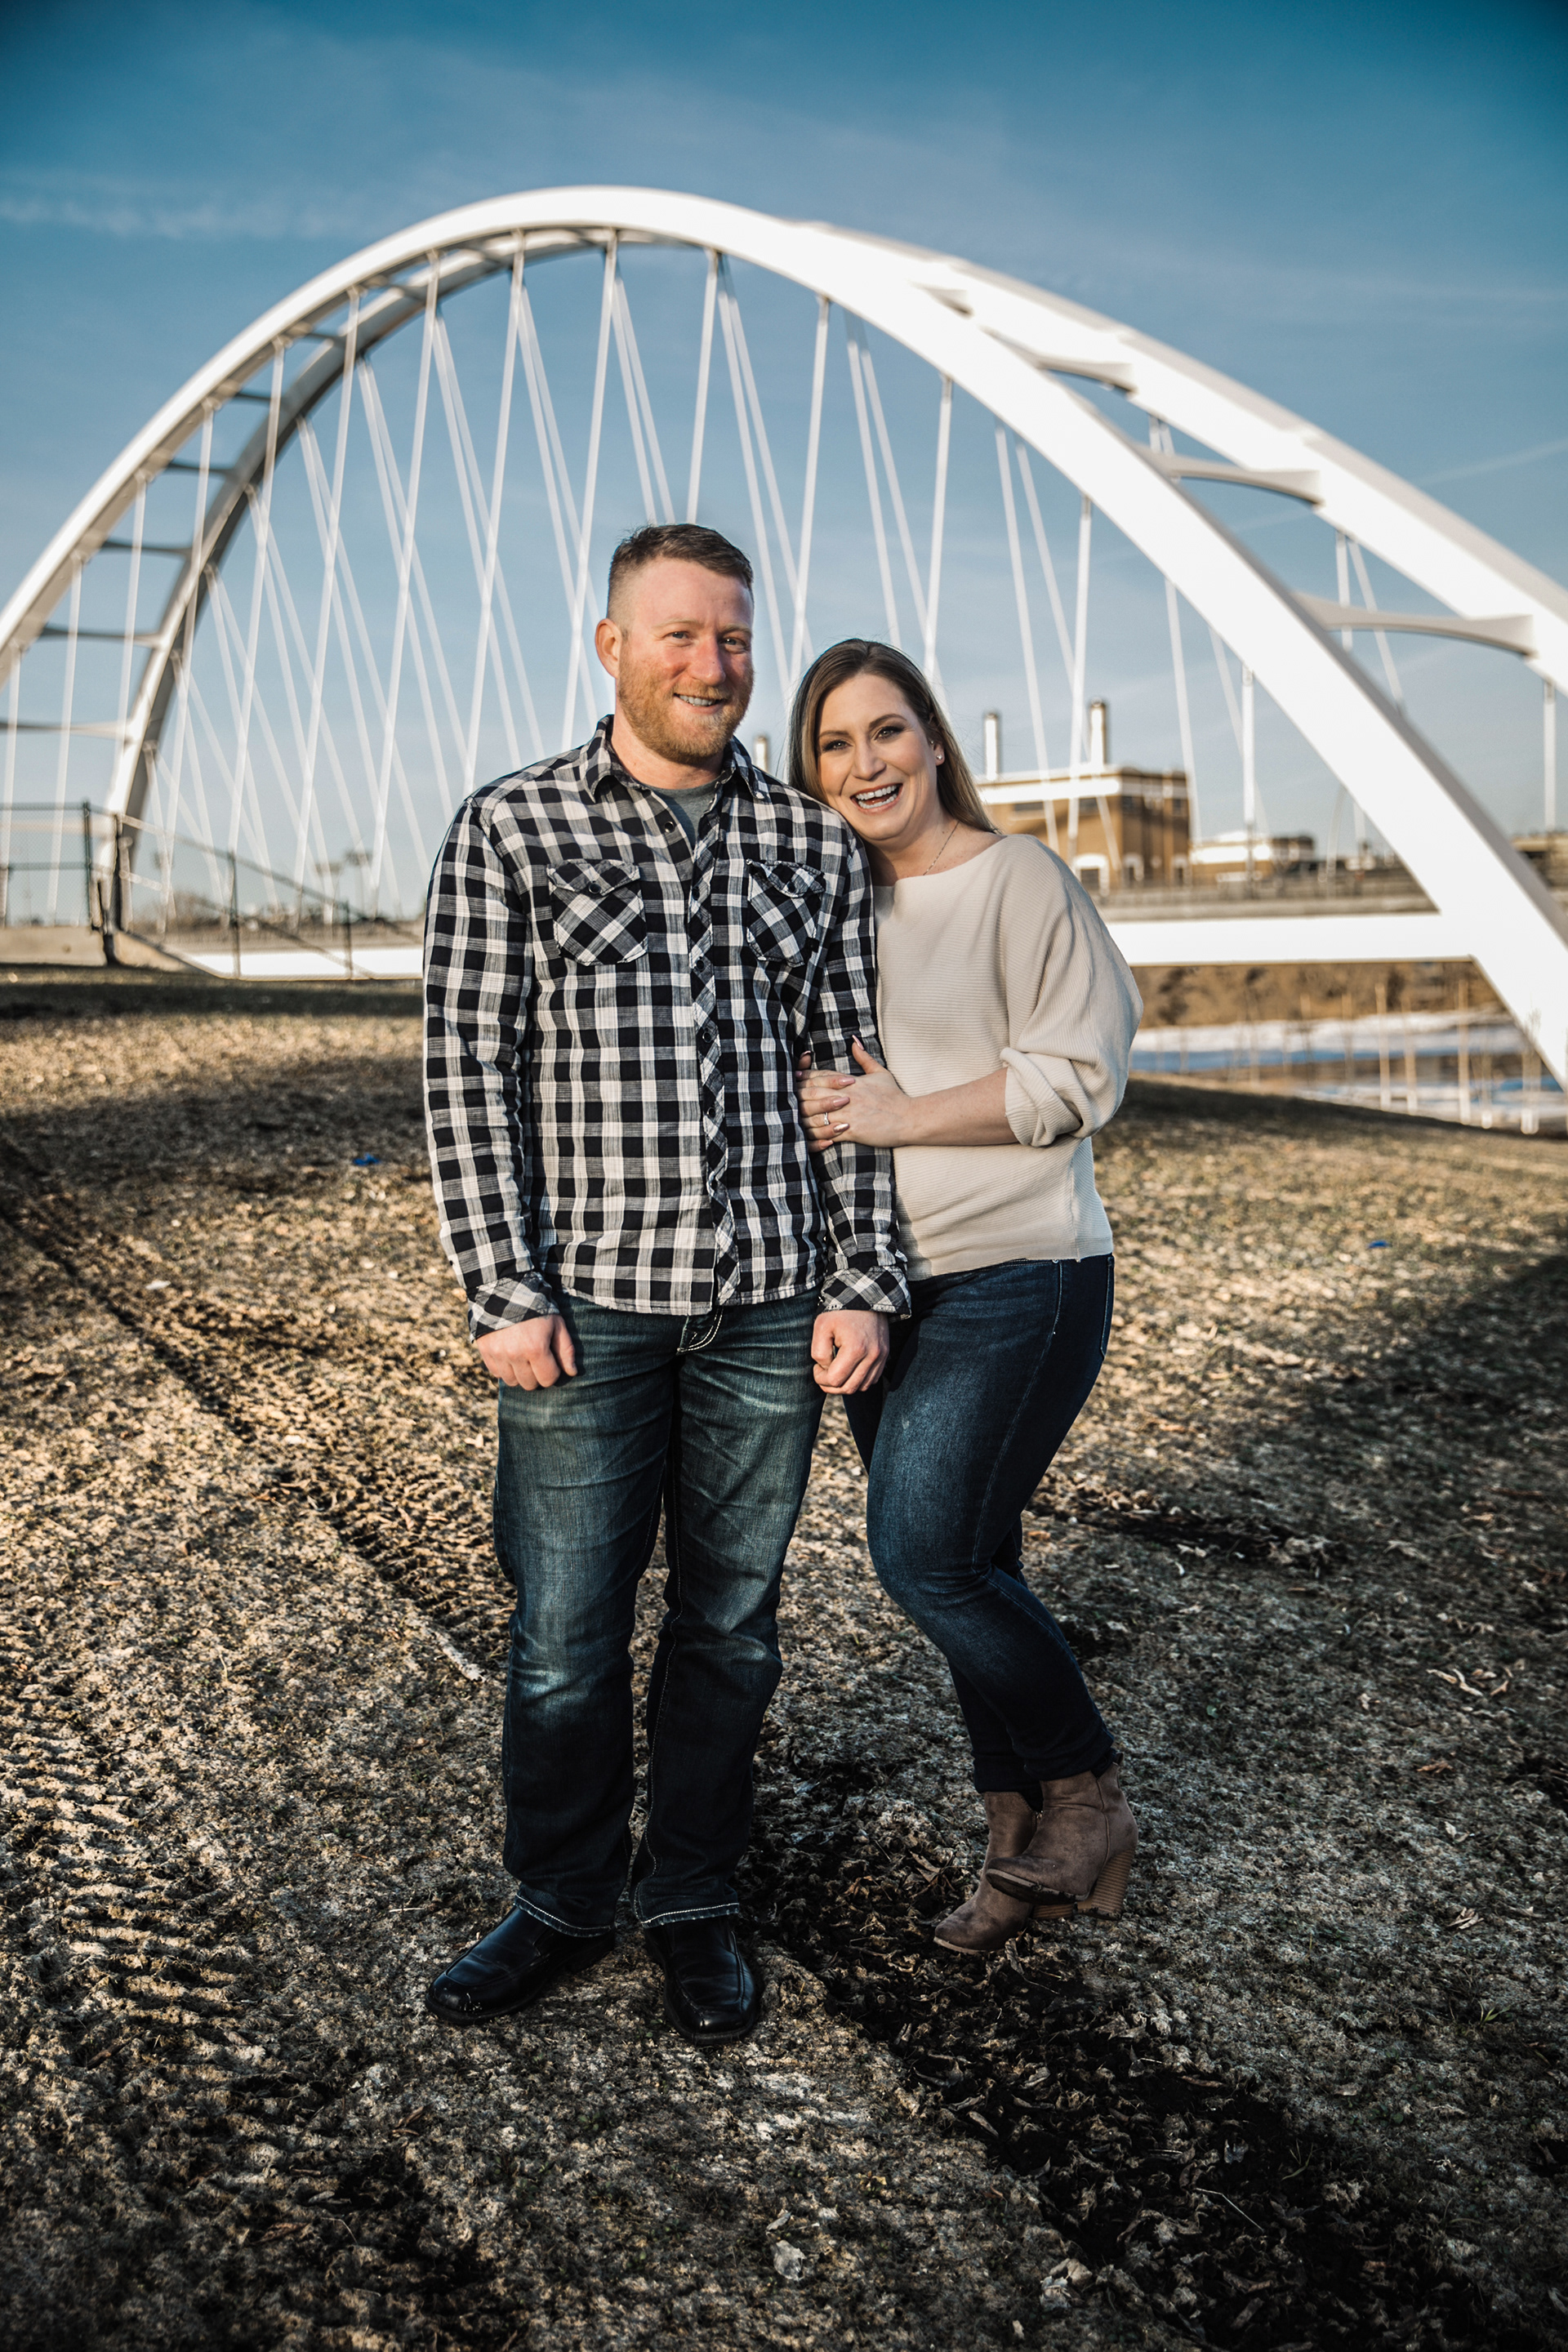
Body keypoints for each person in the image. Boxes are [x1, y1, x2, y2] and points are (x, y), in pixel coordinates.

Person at [421, 529, 907, 2042]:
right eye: (683, 637)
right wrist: (501, 1288)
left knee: (733, 1626)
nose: (715, 665)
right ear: (611, 647)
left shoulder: (809, 843)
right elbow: (464, 1073)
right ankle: (562, 1898)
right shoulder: (512, 828)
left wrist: (865, 1275)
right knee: (566, 1628)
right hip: (587, 1305)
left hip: (770, 1300)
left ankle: (693, 1898)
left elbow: (848, 1078)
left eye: (737, 639)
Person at [791, 639, 1142, 1953]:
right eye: (834, 745)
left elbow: (1079, 1081)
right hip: (885, 1287)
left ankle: (1087, 1792)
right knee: (972, 1563)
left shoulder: (1020, 880)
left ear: (934, 739)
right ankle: (1022, 1850)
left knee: (925, 1557)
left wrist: (897, 1115)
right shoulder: (825, 910)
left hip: (1022, 1274)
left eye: (886, 731)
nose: (865, 763)